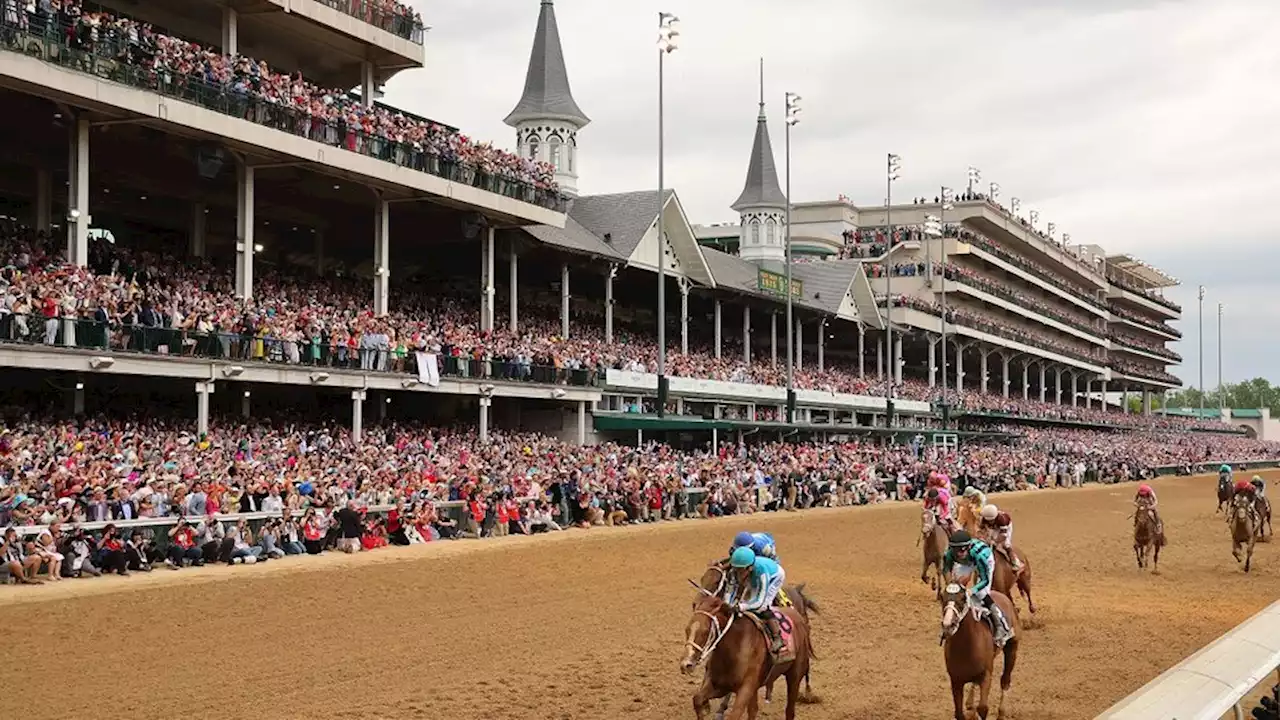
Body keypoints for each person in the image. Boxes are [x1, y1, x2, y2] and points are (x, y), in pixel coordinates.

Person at [942, 530, 1012, 648]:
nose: (959, 553)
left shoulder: (979, 555)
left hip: (985, 559)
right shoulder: (949, 554)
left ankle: (1001, 624)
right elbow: (946, 570)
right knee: (955, 591)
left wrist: (971, 590)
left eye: (962, 550)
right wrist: (951, 585)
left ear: (968, 547)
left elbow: (985, 580)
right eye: (956, 550)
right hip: (966, 563)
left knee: (981, 594)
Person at [724, 546, 793, 663]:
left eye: (741, 570)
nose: (738, 573)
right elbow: (730, 590)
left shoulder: (761, 572)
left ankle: (777, 637)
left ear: (750, 568)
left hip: (775, 576)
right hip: (755, 576)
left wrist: (740, 607)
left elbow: (759, 601)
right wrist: (727, 604)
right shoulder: (734, 571)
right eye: (736, 569)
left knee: (763, 607)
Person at [979, 504, 1022, 574]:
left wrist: (995, 541)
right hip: (994, 527)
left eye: (991, 520)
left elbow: (1003, 535)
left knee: (1006, 544)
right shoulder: (984, 518)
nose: (989, 521)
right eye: (988, 520)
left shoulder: (1002, 520)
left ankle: (1015, 562)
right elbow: (981, 530)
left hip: (1005, 527)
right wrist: (983, 537)